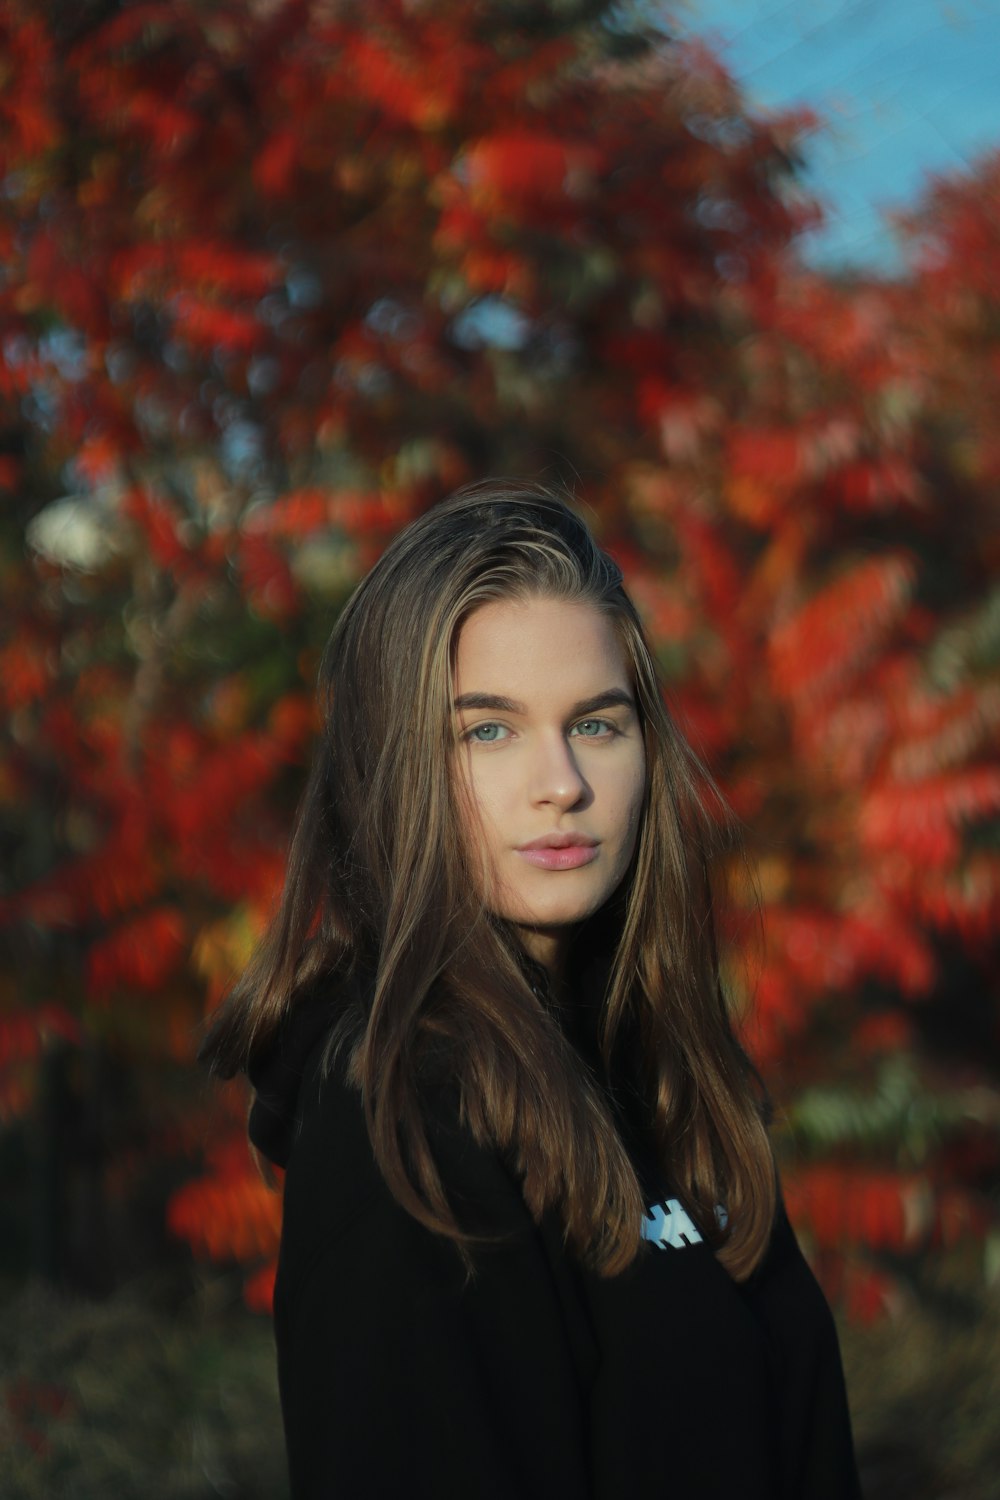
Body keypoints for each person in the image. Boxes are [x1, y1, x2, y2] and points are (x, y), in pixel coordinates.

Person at [200, 480, 862, 1499]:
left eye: (597, 724)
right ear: (395, 768)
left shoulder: (656, 1075)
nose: (561, 782)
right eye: (488, 731)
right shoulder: (401, 1111)